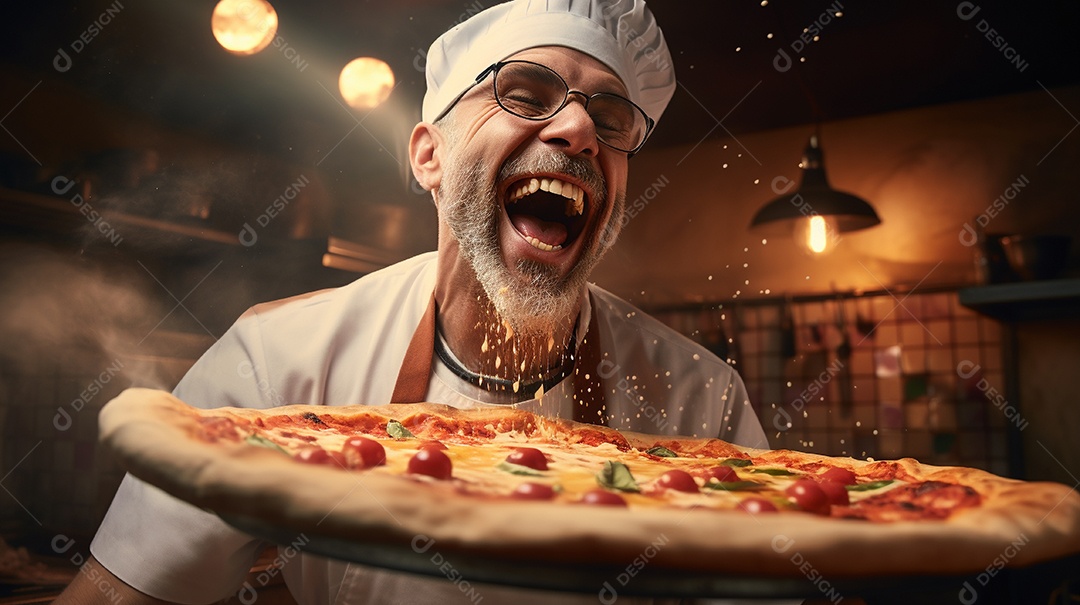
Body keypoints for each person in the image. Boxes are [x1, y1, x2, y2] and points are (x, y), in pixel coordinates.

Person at [59, 0, 769, 603]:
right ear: (429, 156)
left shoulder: (703, 402)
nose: (580, 130)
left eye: (611, 119)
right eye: (525, 93)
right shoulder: (277, 365)